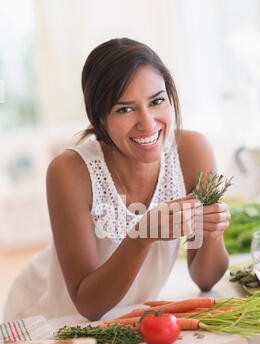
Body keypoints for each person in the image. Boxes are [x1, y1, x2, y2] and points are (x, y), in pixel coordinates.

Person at [3, 38, 231, 323]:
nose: (147, 123)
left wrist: (212, 231)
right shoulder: (69, 171)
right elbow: (88, 305)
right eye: (125, 109)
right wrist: (142, 235)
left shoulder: (193, 151)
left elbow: (206, 278)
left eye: (157, 101)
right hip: (51, 320)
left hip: (124, 321)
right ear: (99, 118)